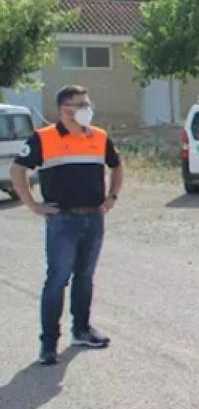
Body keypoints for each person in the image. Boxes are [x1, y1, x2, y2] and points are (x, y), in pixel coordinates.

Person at [9, 85, 124, 366]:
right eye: (79, 104)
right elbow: (17, 170)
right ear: (64, 110)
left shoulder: (99, 136)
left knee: (85, 277)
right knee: (57, 280)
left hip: (93, 217)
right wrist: (33, 205)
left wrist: (112, 195)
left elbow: (117, 165)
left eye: (87, 103)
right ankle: (48, 345)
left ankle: (82, 331)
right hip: (63, 220)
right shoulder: (43, 138)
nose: (86, 108)